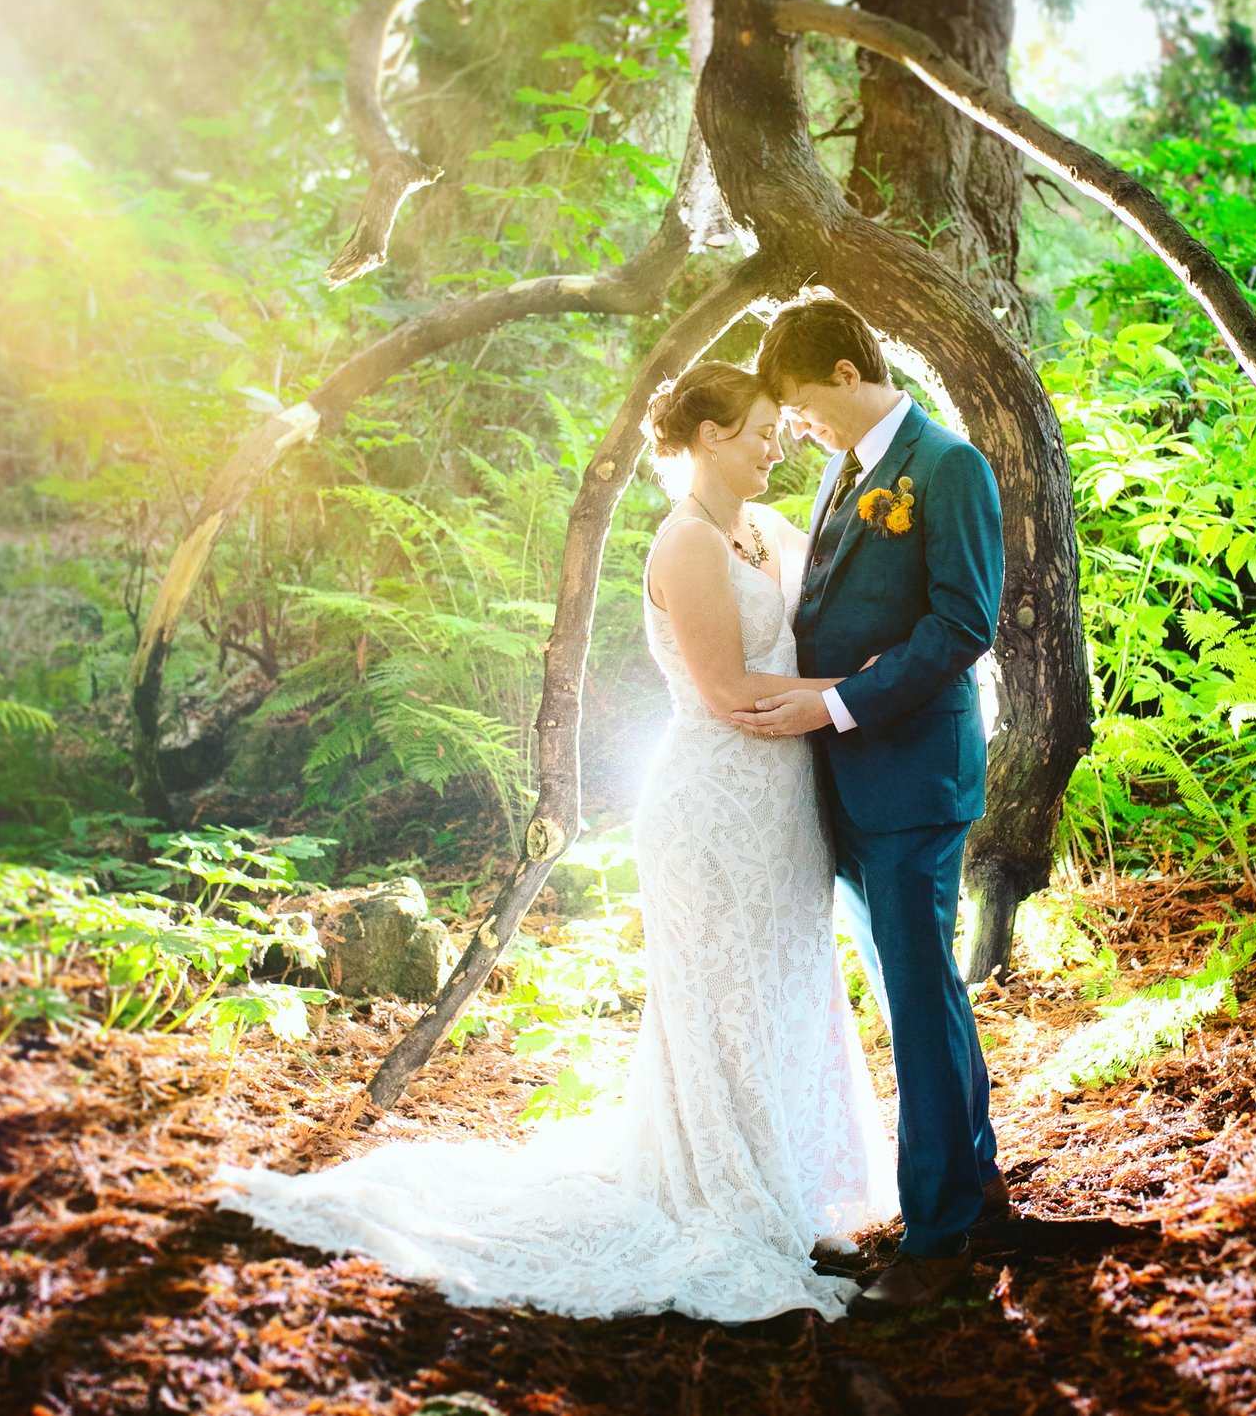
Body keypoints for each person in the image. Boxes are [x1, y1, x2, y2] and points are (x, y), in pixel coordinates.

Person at [213, 360, 893, 1323]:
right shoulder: (687, 544)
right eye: (757, 430)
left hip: (786, 808)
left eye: (780, 430)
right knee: (720, 1002)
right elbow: (730, 696)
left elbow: (819, 635)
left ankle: (788, 1181)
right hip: (709, 811)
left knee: (783, 987)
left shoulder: (770, 530)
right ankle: (729, 1195)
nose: (776, 445)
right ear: (707, 437)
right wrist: (855, 699)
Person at [735, 297, 1012, 1318]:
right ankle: (974, 1184)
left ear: (848, 371)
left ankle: (938, 1239)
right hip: (846, 782)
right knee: (916, 996)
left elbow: (960, 623)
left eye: (805, 405)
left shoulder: (948, 466)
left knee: (917, 991)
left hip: (911, 776)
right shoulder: (841, 473)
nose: (800, 426)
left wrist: (839, 701)